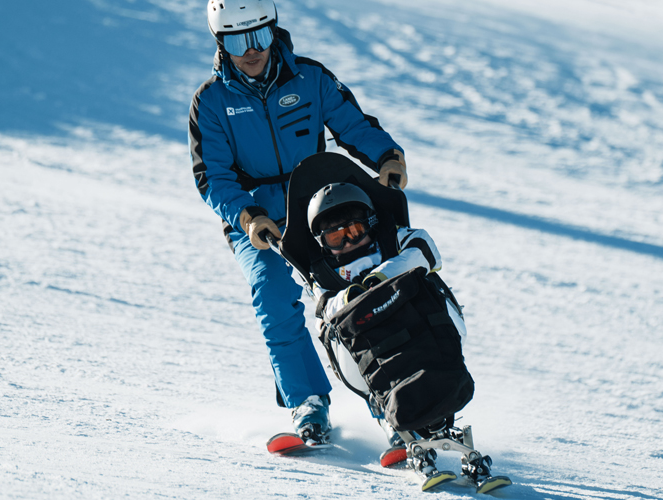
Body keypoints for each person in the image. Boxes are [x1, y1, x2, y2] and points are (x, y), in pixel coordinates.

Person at [188, 0, 407, 443]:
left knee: (356, 294)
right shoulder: (210, 101)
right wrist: (249, 216)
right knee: (273, 299)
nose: (251, 51)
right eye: (236, 40)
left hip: (317, 205)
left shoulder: (310, 78)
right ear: (220, 43)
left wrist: (386, 155)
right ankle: (307, 403)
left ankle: (391, 401)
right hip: (257, 218)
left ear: (273, 31)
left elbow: (353, 124)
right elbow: (212, 176)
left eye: (259, 37)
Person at [305, 182, 467, 453]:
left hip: (424, 329)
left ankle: (437, 402)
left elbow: (425, 252)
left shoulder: (395, 240)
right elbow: (325, 307)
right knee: (334, 329)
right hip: (373, 350)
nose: (347, 243)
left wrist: (382, 277)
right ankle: (388, 414)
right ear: (323, 243)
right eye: (336, 238)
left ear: (370, 224)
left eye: (355, 231)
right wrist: (350, 298)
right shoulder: (323, 273)